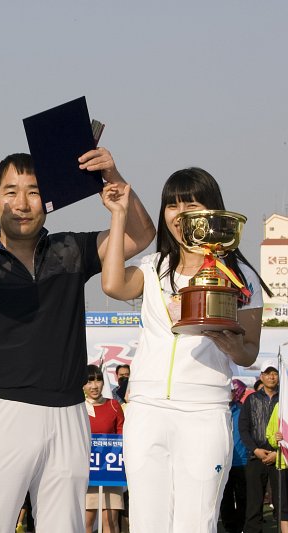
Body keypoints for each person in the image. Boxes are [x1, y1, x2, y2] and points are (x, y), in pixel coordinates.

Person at [0, 148, 154, 532]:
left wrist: (112, 176)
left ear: (46, 201)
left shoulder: (70, 250)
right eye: (10, 192)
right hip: (3, 414)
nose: (22, 203)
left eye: (32, 191)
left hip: (68, 412)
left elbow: (140, 235)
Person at [101, 167, 268, 532]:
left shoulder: (240, 276)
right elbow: (112, 283)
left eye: (190, 204)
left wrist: (232, 343)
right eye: (171, 206)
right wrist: (118, 216)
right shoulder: (154, 268)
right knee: (147, 521)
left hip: (204, 412)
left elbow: (249, 353)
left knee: (196, 522)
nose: (179, 214)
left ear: (212, 211)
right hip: (147, 410)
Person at [83, 365, 125, 533]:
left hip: (110, 472)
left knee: (111, 522)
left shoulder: (114, 405)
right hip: (87, 472)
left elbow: (122, 437)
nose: (94, 385)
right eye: (89, 381)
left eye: (98, 380)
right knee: (86, 522)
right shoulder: (78, 408)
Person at [241, 361, 280, 533]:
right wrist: (255, 450)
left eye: (275, 373)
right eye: (268, 373)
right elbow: (244, 428)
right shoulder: (252, 399)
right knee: (254, 506)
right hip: (255, 457)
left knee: (282, 504)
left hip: (280, 459)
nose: (272, 376)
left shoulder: (285, 399)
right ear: (261, 376)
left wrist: (277, 453)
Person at [220, 378, 249, 533]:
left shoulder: (243, 409)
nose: (229, 393)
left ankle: (241, 526)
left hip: (241, 461)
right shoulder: (216, 410)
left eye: (232, 391)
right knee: (225, 498)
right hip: (222, 462)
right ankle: (229, 527)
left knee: (242, 496)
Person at [267, 403, 288, 533]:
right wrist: (276, 438)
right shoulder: (281, 406)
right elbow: (270, 433)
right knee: (285, 508)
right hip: (284, 463)